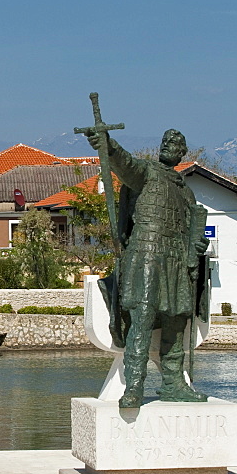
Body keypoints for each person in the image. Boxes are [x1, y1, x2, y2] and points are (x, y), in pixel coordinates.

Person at [85, 128, 209, 408]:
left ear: (182, 154)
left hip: (177, 259)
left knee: (177, 321)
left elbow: (194, 230)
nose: (169, 145)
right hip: (147, 252)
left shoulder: (186, 193)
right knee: (141, 318)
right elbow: (125, 164)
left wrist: (197, 245)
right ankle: (134, 387)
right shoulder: (147, 173)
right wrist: (108, 145)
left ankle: (174, 384)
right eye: (165, 141)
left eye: (176, 143)